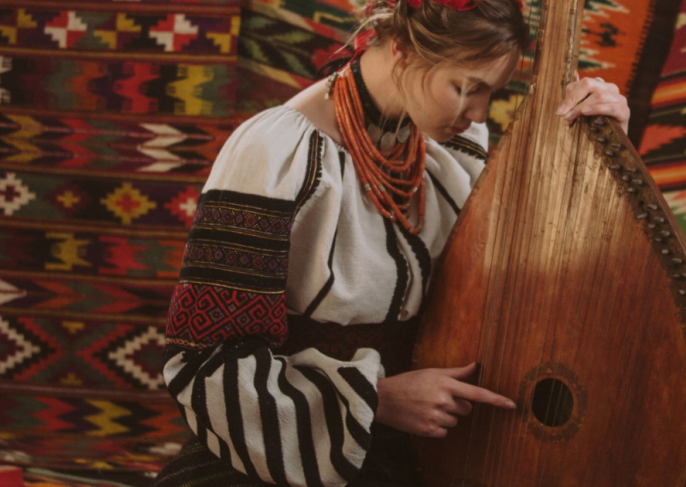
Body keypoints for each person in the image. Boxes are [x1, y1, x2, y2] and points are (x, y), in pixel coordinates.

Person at [151, 0, 631, 485]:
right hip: (297, 442)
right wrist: (376, 399)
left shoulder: (449, 146)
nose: (480, 112)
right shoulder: (276, 153)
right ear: (402, 49)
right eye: (468, 88)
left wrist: (601, 144)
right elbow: (205, 360)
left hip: (437, 438)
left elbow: (536, 266)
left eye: (493, 93)